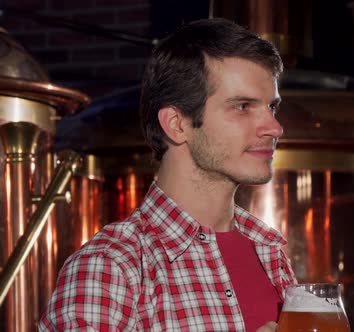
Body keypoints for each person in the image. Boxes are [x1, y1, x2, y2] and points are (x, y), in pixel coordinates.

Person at [40, 18, 297, 331]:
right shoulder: (112, 265)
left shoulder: (269, 249)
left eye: (272, 107)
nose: (274, 127)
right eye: (243, 106)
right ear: (176, 124)